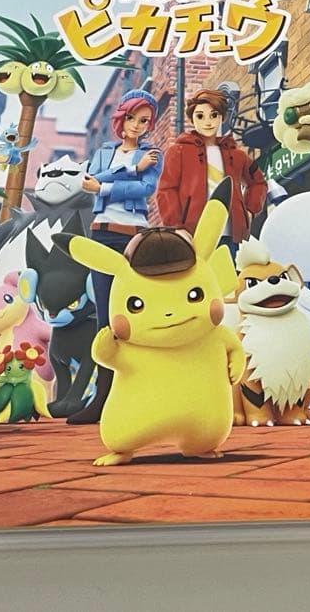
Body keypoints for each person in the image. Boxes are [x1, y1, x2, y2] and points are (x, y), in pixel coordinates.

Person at [69, 88, 162, 424]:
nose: (138, 126)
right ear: (121, 118)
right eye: (133, 118)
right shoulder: (105, 151)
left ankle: (143, 393)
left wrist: (108, 186)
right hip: (102, 233)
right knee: (106, 319)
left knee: (137, 314)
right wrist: (131, 169)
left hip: (134, 236)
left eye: (145, 121)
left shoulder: (152, 154)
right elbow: (89, 181)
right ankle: (103, 397)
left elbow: (145, 190)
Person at [156, 88, 266, 250]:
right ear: (192, 118)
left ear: (222, 117)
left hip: (232, 237)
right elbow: (166, 190)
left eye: (214, 115)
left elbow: (258, 182)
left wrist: (250, 210)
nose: (208, 122)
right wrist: (176, 227)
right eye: (200, 116)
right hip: (193, 235)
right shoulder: (178, 152)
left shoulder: (237, 155)